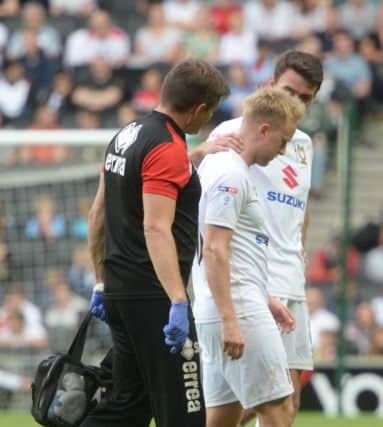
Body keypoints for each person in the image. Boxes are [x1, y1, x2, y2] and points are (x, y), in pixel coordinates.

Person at [83, 59, 229, 427]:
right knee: (186, 414)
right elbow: (155, 228)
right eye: (207, 113)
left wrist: (101, 280)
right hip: (156, 300)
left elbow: (98, 214)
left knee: (125, 411)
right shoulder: (167, 147)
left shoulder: (126, 134)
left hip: (119, 291)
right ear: (198, 110)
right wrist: (178, 301)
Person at [191, 50, 324, 425]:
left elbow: (301, 203)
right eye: (289, 92)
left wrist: (300, 247)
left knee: (283, 400)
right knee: (267, 402)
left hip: (289, 281)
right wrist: (199, 152)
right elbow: (205, 189)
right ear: (270, 85)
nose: (295, 103)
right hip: (251, 279)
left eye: (305, 98)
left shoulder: (304, 144)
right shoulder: (233, 134)